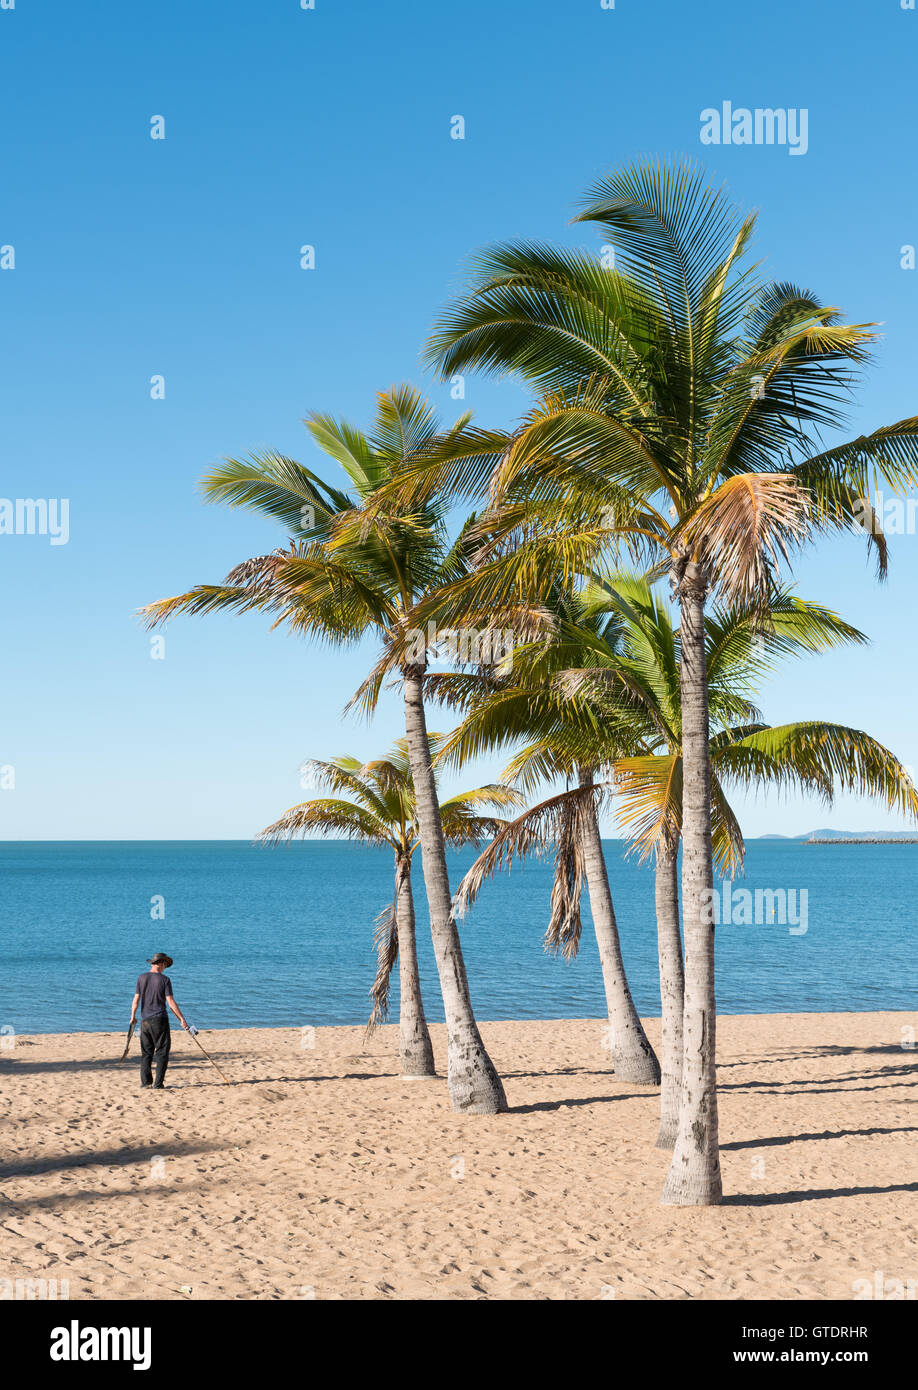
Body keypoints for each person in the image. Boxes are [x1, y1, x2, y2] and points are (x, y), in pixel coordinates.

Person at [129, 952, 189, 1089]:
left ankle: (145, 1083)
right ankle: (158, 1084)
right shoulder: (164, 980)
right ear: (161, 963)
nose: (165, 968)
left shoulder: (141, 978)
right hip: (159, 1020)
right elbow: (171, 1002)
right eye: (165, 965)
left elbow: (136, 999)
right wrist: (182, 1019)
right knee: (162, 1051)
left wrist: (132, 1016)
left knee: (146, 1053)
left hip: (145, 1021)